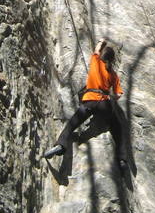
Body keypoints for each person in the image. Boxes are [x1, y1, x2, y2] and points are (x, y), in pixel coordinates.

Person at [44, 39, 127, 170]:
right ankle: (122, 159)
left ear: (102, 55)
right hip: (105, 104)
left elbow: (96, 50)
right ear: (112, 60)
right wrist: (110, 96)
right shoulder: (113, 75)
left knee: (72, 125)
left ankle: (61, 145)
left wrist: (101, 41)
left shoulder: (96, 61)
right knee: (118, 128)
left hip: (90, 100)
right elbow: (119, 95)